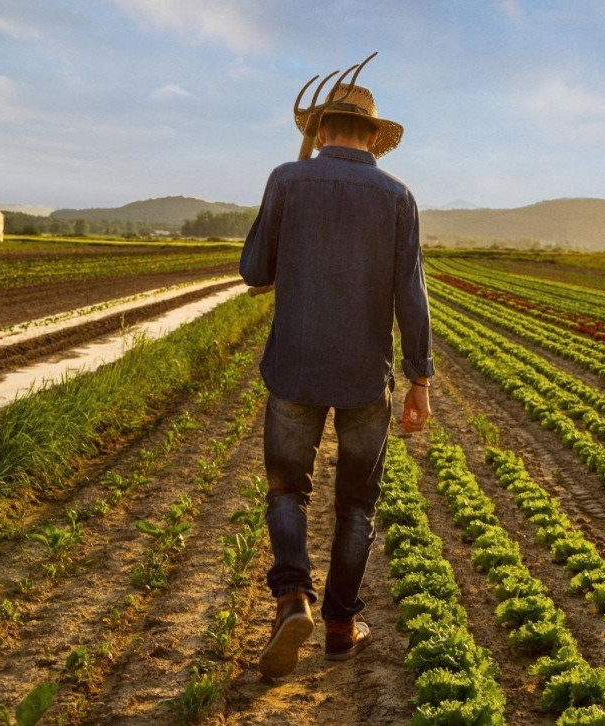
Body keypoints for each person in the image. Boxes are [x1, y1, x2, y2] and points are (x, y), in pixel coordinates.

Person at [239, 61, 433, 679]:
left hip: (294, 367)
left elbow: (253, 269)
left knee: (286, 490)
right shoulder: (398, 195)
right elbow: (412, 296)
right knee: (357, 505)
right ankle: (342, 625)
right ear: (372, 137)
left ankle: (292, 597)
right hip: (363, 378)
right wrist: (420, 379)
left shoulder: (286, 178)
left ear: (320, 130)